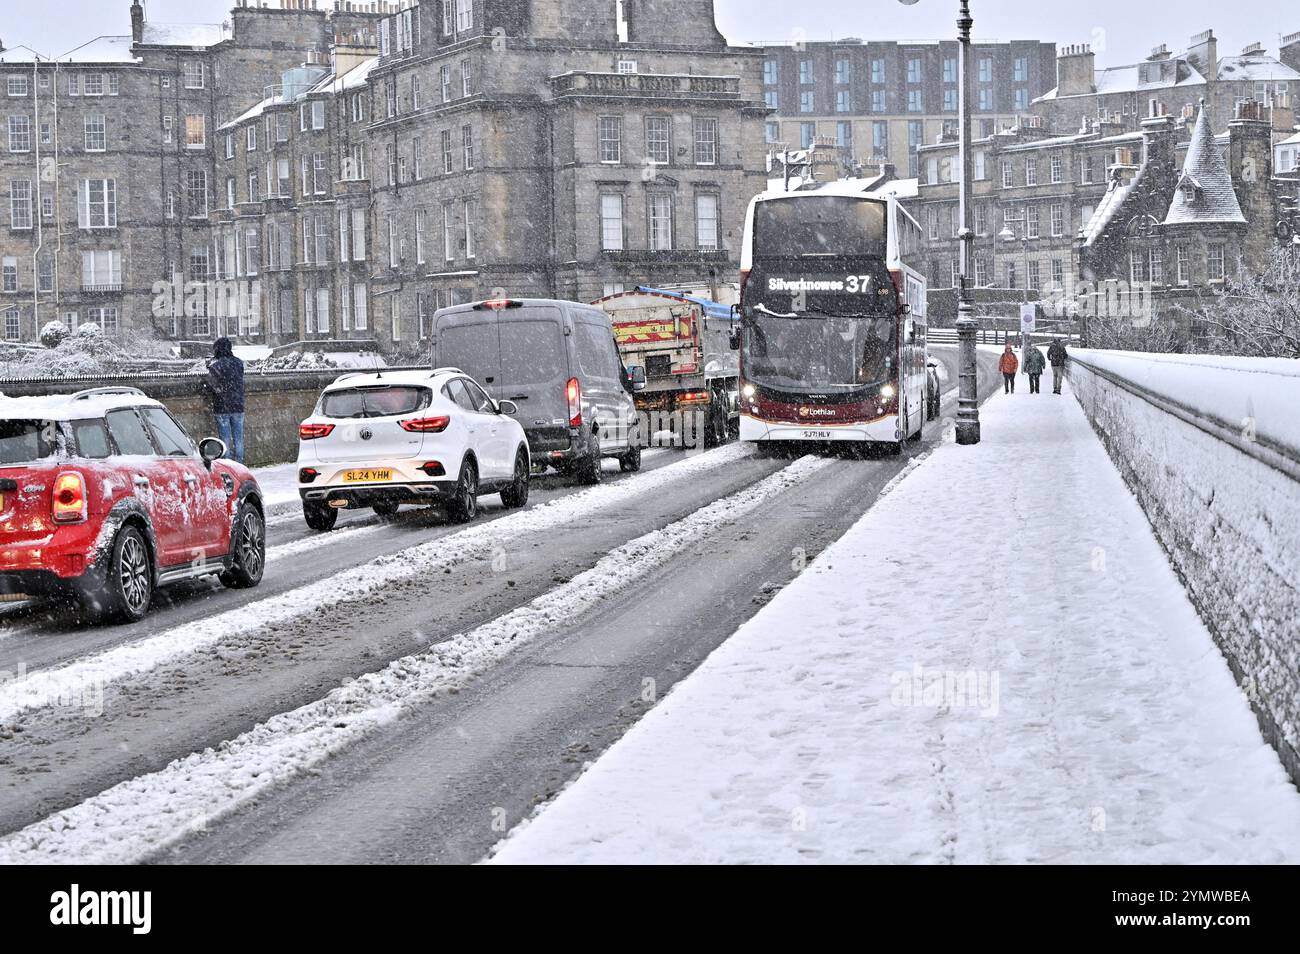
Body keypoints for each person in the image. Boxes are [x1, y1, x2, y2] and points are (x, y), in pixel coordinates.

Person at [206, 337, 246, 463]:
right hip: (238, 405)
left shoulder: (215, 367)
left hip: (222, 407)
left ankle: (227, 465)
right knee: (238, 438)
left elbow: (212, 386)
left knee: (225, 440)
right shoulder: (239, 363)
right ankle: (239, 464)